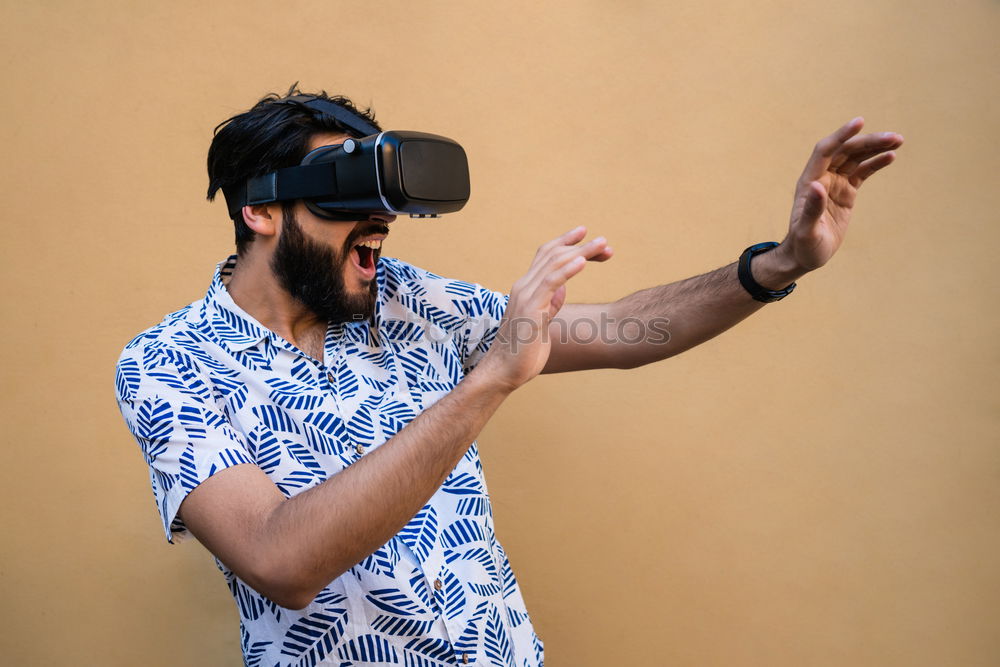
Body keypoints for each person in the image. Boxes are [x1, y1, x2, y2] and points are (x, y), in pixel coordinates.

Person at [114, 87, 902, 667]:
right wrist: (491, 378)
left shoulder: (406, 298)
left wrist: (778, 263)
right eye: (347, 195)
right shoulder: (169, 364)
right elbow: (279, 561)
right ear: (262, 211)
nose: (380, 225)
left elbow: (622, 329)